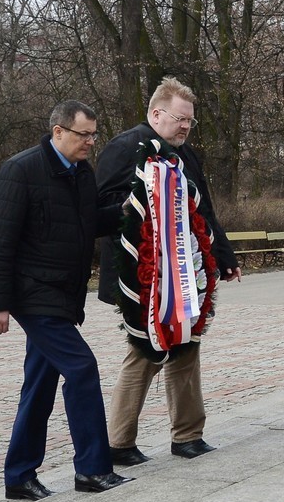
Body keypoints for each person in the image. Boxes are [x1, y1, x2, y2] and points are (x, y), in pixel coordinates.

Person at [0, 101, 132, 500]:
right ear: (58, 131)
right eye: (84, 134)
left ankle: (18, 477)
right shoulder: (20, 170)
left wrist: (128, 212)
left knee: (40, 382)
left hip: (64, 293)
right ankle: (93, 470)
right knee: (82, 368)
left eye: (94, 134)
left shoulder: (82, 173)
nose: (91, 142)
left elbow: (86, 223)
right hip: (34, 294)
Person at [97, 76, 240, 464]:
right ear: (157, 113)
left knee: (187, 348)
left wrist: (224, 257)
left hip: (185, 274)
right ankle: (119, 442)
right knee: (145, 351)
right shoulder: (125, 147)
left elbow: (203, 209)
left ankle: (188, 436)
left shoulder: (185, 154)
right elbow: (104, 206)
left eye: (190, 122)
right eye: (180, 119)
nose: (185, 127)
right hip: (141, 276)